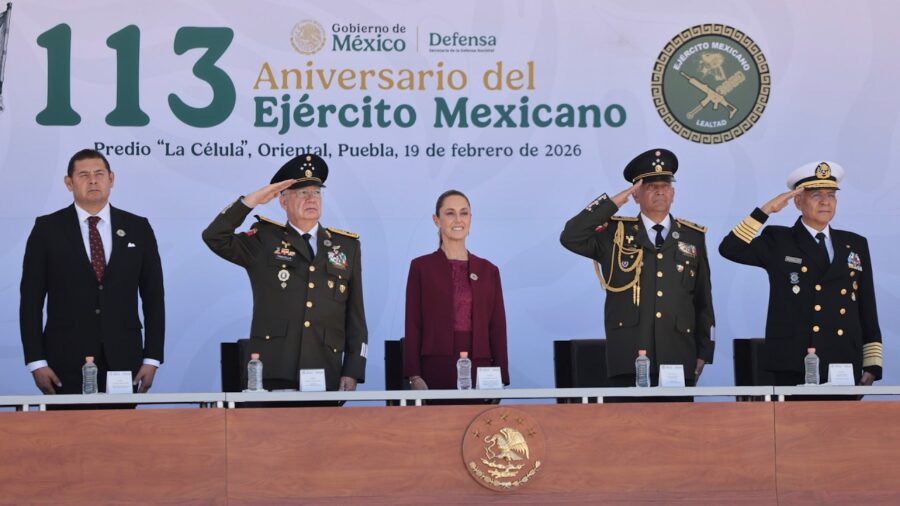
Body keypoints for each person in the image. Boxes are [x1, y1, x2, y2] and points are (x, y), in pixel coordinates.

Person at [202, 153, 367, 391]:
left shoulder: (346, 246)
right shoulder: (264, 238)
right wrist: (250, 201)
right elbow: (214, 237)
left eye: (317, 193)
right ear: (283, 202)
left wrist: (352, 370)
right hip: (274, 369)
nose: (312, 199)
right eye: (302, 193)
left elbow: (356, 315)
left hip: (325, 369)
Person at [560, 148, 715, 391]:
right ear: (636, 194)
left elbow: (702, 299)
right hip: (628, 357)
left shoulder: (692, 237)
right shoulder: (614, 233)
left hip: (678, 357)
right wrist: (613, 203)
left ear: (673, 193)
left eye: (665, 185)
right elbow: (570, 236)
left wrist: (704, 352)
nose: (660, 190)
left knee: (679, 428)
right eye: (650, 186)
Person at [719, 161, 882, 387]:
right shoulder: (779, 240)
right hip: (794, 362)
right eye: (816, 195)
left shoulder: (854, 244)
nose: (826, 201)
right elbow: (730, 249)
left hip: (844, 362)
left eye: (831, 195)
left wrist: (872, 364)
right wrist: (765, 211)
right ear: (798, 202)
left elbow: (867, 305)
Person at [20, 148, 165, 396]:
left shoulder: (138, 227)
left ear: (111, 178)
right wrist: (36, 362)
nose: (93, 180)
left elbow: (153, 297)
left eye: (99, 173)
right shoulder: (47, 229)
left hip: (124, 359)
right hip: (63, 361)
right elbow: (31, 301)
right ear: (69, 183)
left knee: (121, 433)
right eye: (83, 175)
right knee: (68, 433)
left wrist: (152, 358)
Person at [404, 190, 509, 392]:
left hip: (482, 369)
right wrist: (414, 375)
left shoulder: (488, 270)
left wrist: (501, 376)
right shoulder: (421, 267)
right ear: (437, 220)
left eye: (464, 213)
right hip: (435, 367)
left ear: (471, 219)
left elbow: (498, 327)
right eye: (450, 213)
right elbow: (413, 323)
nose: (458, 219)